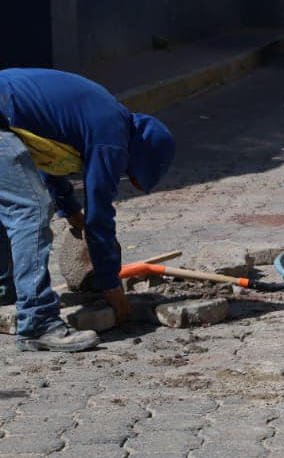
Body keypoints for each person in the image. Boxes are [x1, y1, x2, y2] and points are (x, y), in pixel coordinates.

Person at [0, 69, 175, 352]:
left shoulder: (101, 116)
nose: (122, 176)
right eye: (128, 174)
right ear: (138, 155)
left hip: (5, 115)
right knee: (31, 210)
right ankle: (38, 323)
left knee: (9, 201)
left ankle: (4, 293)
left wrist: (71, 212)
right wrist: (111, 285)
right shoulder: (112, 137)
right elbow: (100, 215)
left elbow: (47, 161)